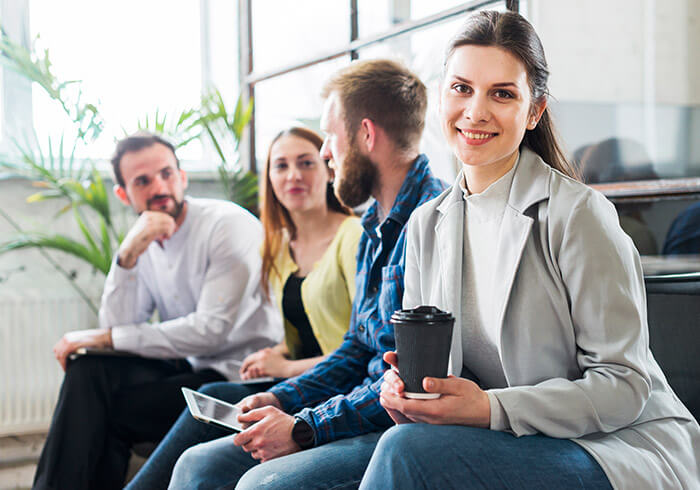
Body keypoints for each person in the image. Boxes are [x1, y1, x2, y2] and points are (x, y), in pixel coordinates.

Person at [365, 10, 700, 489]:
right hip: (508, 439)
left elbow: (625, 387)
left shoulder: (578, 215)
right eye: (461, 88)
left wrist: (489, 408)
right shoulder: (426, 225)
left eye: (502, 93)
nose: (475, 112)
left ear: (534, 111)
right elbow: (439, 367)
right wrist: (411, 394)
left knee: (403, 456)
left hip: (615, 445)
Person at [167, 59, 447, 489]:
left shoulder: (434, 225)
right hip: (358, 408)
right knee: (196, 466)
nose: (325, 154)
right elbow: (357, 347)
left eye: (330, 137)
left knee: (262, 483)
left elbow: (407, 385)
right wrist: (282, 396)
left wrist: (304, 427)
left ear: (366, 134)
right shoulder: (374, 223)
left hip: (394, 427)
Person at [33, 132, 283, 490]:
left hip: (237, 374)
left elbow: (209, 330)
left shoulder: (226, 224)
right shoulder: (143, 236)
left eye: (167, 174)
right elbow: (118, 328)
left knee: (102, 412)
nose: (159, 187)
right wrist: (127, 256)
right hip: (189, 365)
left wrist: (105, 336)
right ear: (124, 194)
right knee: (89, 370)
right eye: (143, 181)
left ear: (182, 177)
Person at [126, 126, 362, 488]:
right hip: (297, 377)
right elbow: (303, 331)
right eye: (281, 166)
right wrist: (275, 353)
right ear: (270, 179)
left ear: (329, 168)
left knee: (212, 403)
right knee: (210, 400)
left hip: (339, 385)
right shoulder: (280, 245)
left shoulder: (353, 236)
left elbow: (356, 348)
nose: (294, 175)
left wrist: (283, 364)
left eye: (306, 163)